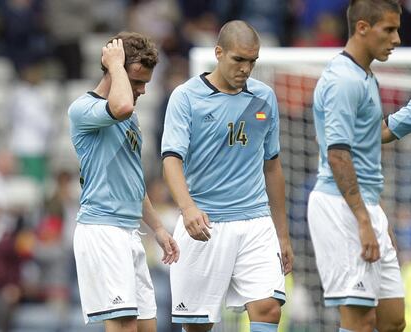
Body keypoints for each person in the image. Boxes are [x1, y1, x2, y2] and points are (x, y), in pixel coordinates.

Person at [161, 20, 293, 332]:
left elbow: (272, 166)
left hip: (256, 220)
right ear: (218, 53)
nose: (246, 68)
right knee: (198, 327)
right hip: (205, 223)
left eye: (252, 61)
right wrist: (188, 207)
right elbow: (170, 160)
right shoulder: (186, 97)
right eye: (239, 59)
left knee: (268, 308)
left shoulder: (264, 98)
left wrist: (282, 234)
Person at [68, 32, 179, 332]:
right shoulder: (84, 109)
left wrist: (157, 228)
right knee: (125, 326)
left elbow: (134, 180)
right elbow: (121, 106)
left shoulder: (129, 119)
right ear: (112, 69)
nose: (142, 90)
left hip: (128, 231)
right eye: (136, 82)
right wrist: (116, 65)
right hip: (102, 229)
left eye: (145, 83)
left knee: (147, 326)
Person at [307, 1, 406, 331]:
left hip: (366, 205)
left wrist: (376, 215)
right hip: (341, 208)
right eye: (389, 29)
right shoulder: (343, 80)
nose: (396, 39)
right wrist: (363, 218)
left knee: (392, 321)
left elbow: (374, 134)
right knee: (359, 322)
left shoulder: (365, 76)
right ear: (362, 28)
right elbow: (337, 154)